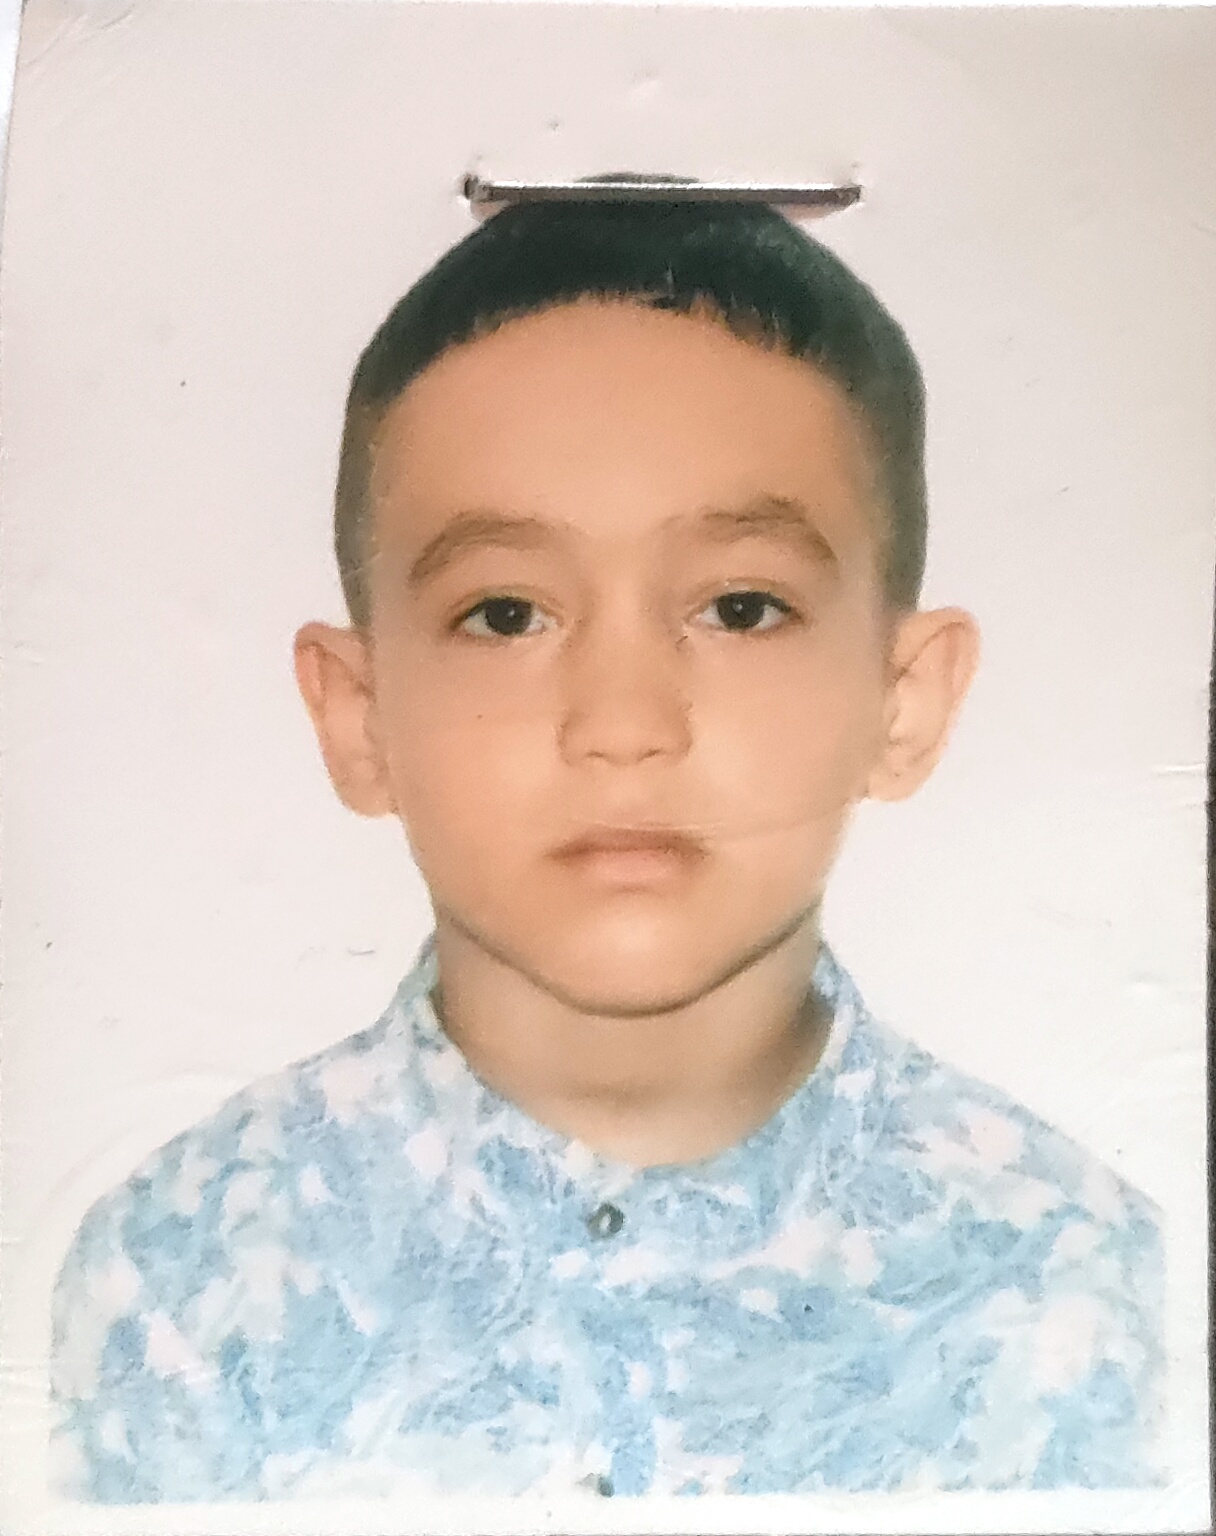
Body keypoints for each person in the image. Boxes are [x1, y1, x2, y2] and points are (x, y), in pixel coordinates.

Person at [48, 175, 1164, 1503]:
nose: (623, 725)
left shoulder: (1085, 1293)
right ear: (358, 717)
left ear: (904, 700)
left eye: (739, 608)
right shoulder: (182, 1285)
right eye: (507, 615)